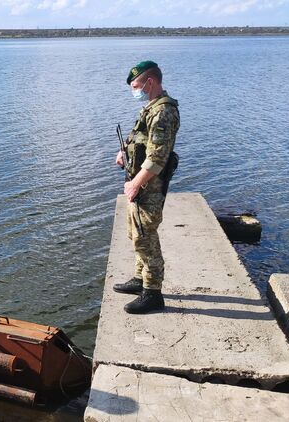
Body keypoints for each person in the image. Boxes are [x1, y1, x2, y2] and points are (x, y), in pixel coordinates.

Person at [113, 61, 180, 314]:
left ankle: (153, 293)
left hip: (149, 187)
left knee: (147, 238)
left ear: (149, 82)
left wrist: (135, 184)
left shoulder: (163, 112)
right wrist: (123, 151)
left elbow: (157, 158)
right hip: (140, 183)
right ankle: (140, 279)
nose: (134, 91)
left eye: (136, 86)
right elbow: (140, 138)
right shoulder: (151, 108)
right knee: (136, 235)